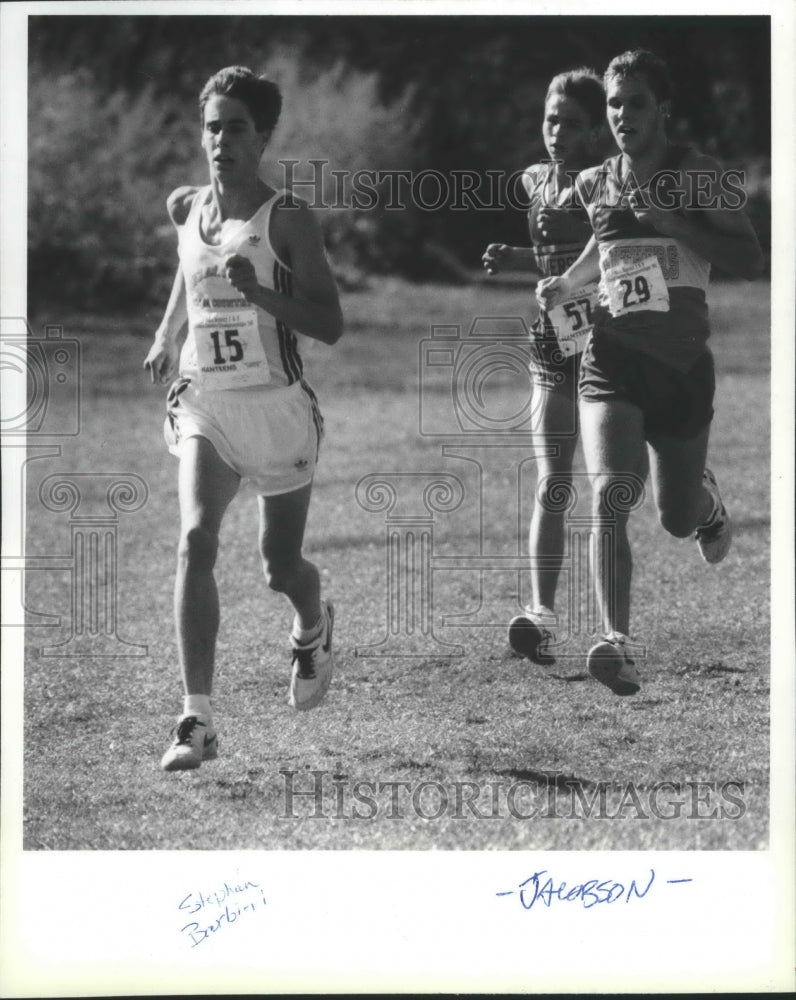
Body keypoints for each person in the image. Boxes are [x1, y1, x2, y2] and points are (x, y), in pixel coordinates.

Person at [536, 49, 763, 696]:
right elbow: (603, 246)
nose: (622, 115)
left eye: (635, 102)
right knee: (612, 495)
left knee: (675, 517)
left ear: (662, 108)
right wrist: (566, 283)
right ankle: (616, 640)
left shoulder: (699, 175)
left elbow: (749, 257)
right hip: (611, 359)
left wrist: (672, 224)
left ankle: (706, 504)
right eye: (613, 104)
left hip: (684, 366)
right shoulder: (595, 181)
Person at [144, 66, 343, 770]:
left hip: (280, 410)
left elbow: (330, 323)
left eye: (234, 127)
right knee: (196, 539)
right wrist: (168, 335)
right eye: (211, 125)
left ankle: (312, 623)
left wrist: (261, 294)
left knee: (278, 567)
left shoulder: (286, 219)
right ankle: (196, 721)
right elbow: (186, 263)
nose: (219, 139)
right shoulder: (185, 206)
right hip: (209, 404)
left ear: (262, 136)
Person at [481, 69, 607, 665]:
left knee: (627, 481)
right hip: (553, 343)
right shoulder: (534, 180)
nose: (558, 132)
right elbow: (551, 262)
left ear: (596, 130)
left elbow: (618, 252)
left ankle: (699, 494)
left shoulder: (605, 182)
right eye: (551, 119)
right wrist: (515, 259)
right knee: (553, 479)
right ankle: (542, 614)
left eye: (572, 124)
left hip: (610, 343)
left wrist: (580, 232)